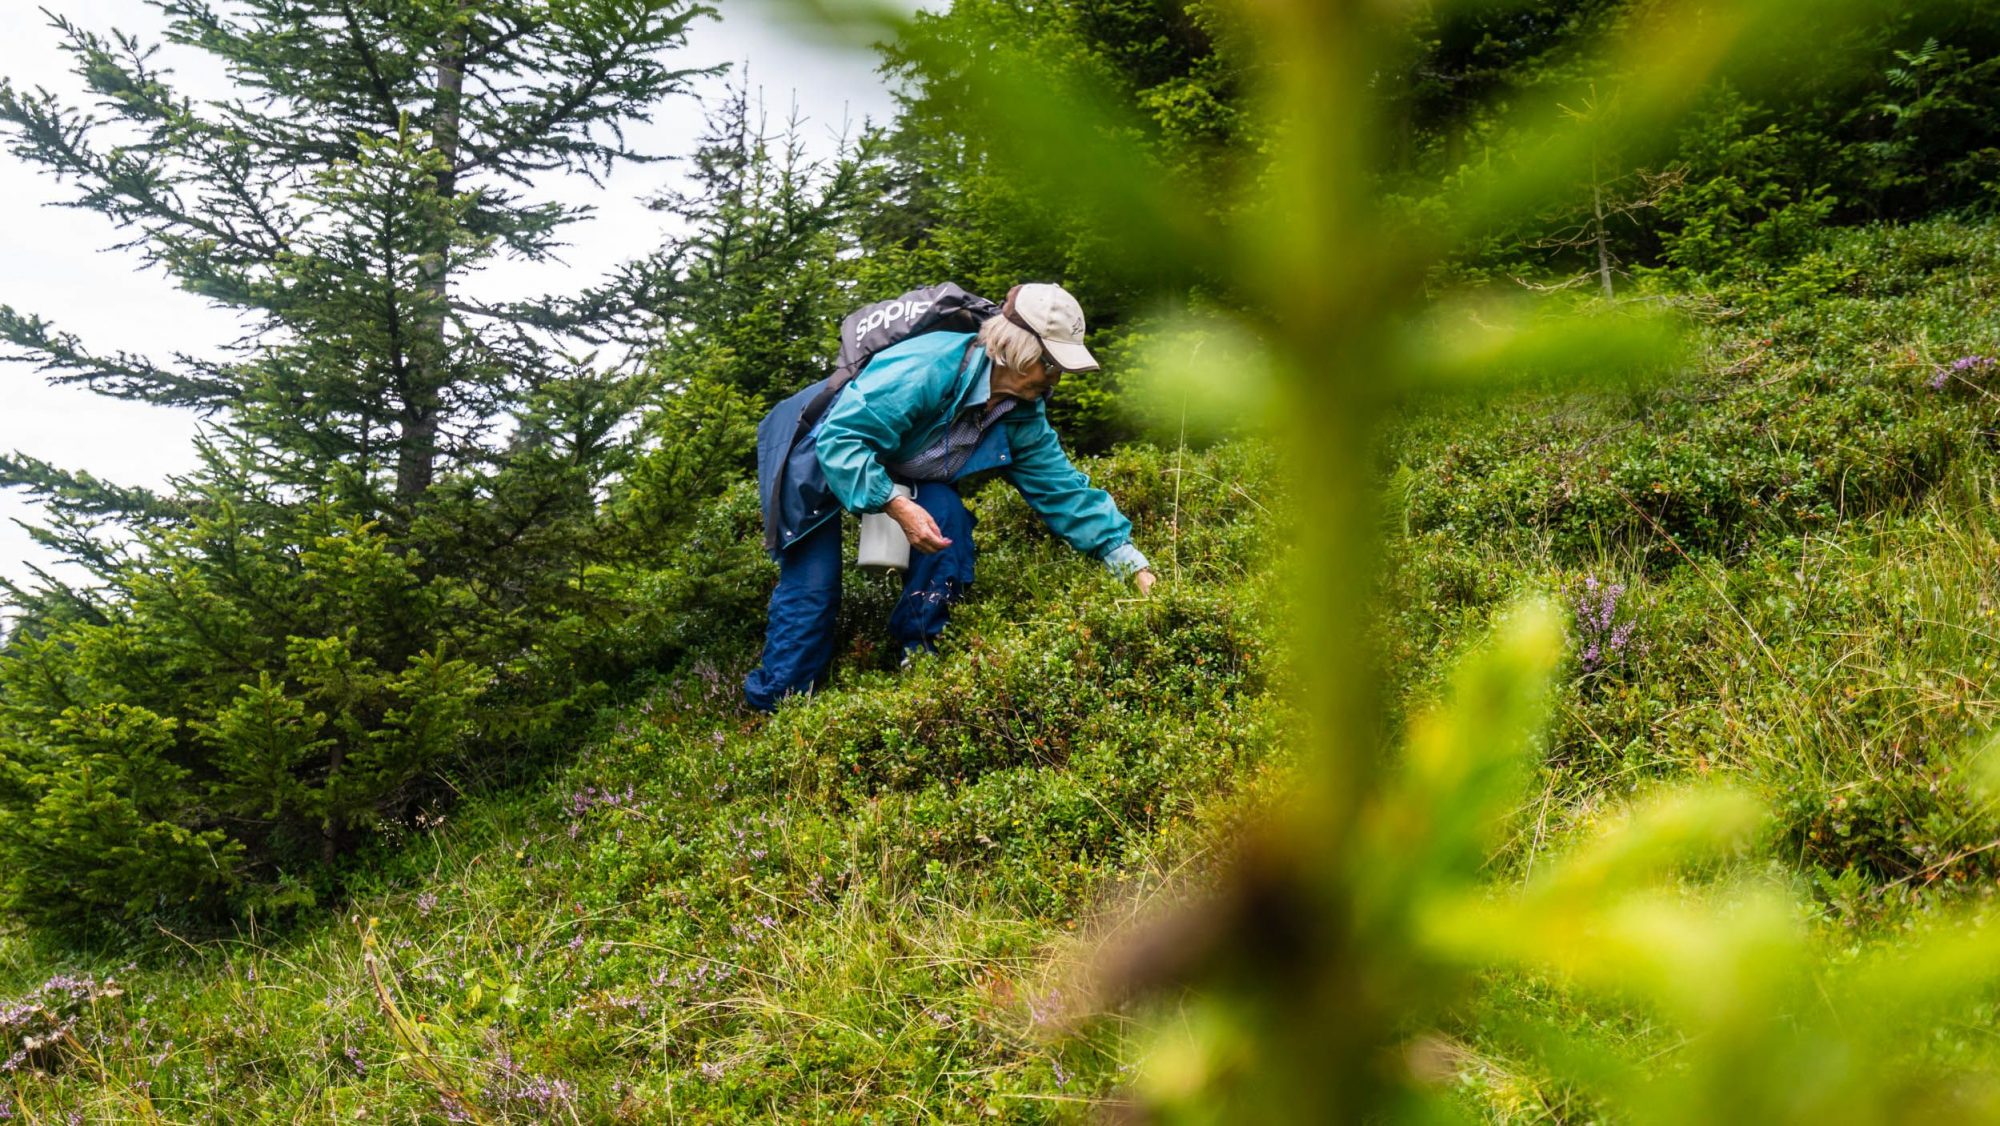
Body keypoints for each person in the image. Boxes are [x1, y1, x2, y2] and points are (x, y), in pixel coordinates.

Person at [743, 282, 1157, 712]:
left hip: (896, 455)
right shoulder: (929, 367)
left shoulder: (1021, 412)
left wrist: (1129, 562)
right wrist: (896, 504)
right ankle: (776, 704)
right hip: (819, 446)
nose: (1056, 378)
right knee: (814, 585)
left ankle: (921, 655)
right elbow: (842, 441)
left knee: (946, 523)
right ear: (1019, 352)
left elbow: (1063, 489)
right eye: (1051, 365)